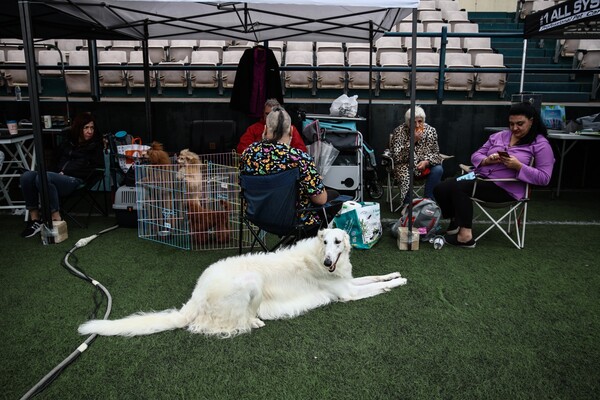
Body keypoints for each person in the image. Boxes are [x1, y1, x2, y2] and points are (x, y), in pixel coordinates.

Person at [433, 102, 555, 248]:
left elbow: (544, 178)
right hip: (479, 177)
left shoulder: (541, 145)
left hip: (506, 187)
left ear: (532, 121)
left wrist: (519, 167)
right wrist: (486, 160)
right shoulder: (500, 136)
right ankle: (456, 221)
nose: (514, 128)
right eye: (511, 124)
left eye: (520, 124)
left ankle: (465, 237)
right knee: (441, 188)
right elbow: (476, 155)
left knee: (460, 187)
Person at [239, 106, 341, 234]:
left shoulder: (247, 154)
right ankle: (302, 245)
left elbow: (242, 188)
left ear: (264, 130)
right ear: (292, 131)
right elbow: (320, 200)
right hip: (293, 221)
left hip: (256, 216)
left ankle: (290, 245)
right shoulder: (300, 158)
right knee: (334, 197)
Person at [19, 112, 104, 238]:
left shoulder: (95, 146)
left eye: (92, 128)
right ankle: (35, 219)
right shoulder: (67, 142)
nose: (90, 131)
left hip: (75, 180)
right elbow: (55, 160)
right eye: (86, 128)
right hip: (56, 176)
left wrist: (65, 172)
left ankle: (56, 218)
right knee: (27, 177)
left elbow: (92, 168)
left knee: (43, 177)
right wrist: (54, 172)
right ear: (78, 128)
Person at [389, 105, 444, 206]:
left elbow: (436, 153)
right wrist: (413, 140)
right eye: (413, 122)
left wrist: (426, 162)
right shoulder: (399, 131)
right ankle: (408, 204)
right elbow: (397, 156)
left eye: (420, 121)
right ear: (408, 122)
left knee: (438, 169)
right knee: (404, 171)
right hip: (405, 164)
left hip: (424, 164)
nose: (417, 125)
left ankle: (428, 200)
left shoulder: (431, 131)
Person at [236, 98, 307, 154]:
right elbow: (241, 149)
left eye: (272, 114)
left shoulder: (290, 128)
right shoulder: (254, 129)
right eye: (267, 114)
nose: (270, 117)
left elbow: (301, 150)